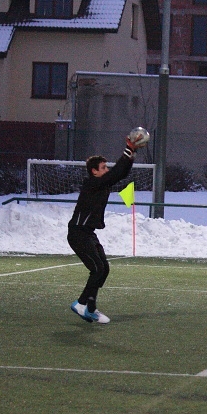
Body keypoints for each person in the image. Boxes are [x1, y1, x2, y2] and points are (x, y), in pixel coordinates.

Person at [67, 136, 138, 324]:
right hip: (78, 233)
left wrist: (130, 155)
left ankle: (90, 308)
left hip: (88, 233)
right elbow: (115, 174)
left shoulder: (101, 184)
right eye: (103, 168)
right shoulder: (92, 184)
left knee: (103, 269)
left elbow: (119, 174)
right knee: (97, 269)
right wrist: (128, 149)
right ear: (94, 172)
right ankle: (81, 303)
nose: (107, 170)